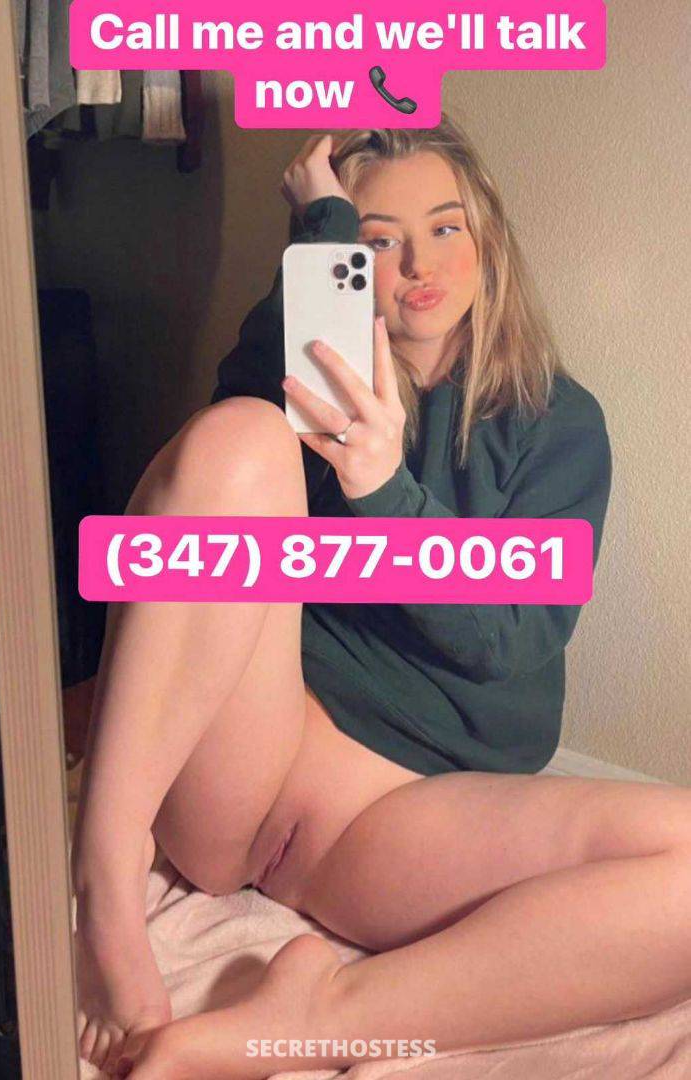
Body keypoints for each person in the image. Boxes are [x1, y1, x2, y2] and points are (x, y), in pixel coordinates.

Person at [72, 117, 691, 1078]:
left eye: (445, 228)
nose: (418, 266)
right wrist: (322, 227)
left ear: (488, 241)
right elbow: (206, 489)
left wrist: (384, 492)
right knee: (241, 435)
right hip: (249, 755)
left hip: (398, 816)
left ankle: (315, 1017)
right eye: (377, 241)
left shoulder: (558, 424)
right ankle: (106, 870)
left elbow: (509, 636)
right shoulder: (313, 370)